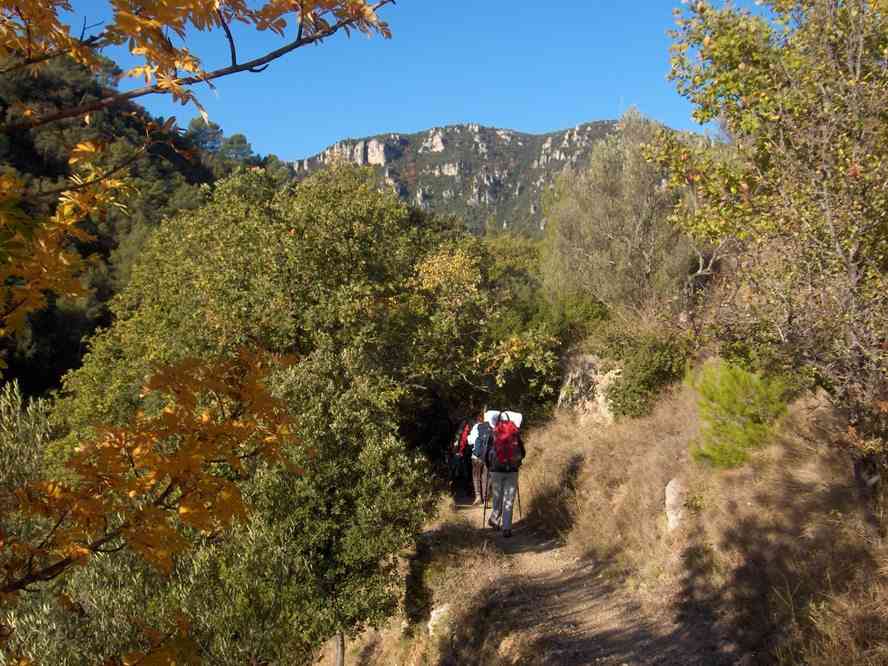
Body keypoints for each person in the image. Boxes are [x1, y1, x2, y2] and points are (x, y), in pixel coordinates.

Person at [486, 411, 525, 538]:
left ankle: (495, 520)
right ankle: (507, 528)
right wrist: (517, 462)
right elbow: (523, 452)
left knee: (497, 496)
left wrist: (489, 466)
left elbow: (487, 454)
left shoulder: (493, 433)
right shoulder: (515, 432)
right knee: (509, 499)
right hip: (512, 470)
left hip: (496, 470)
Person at [469, 410, 497, 505]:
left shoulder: (477, 426)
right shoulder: (494, 428)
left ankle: (478, 497)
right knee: (486, 476)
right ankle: (485, 499)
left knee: (476, 476)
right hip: (487, 456)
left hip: (476, 456)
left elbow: (470, 441)